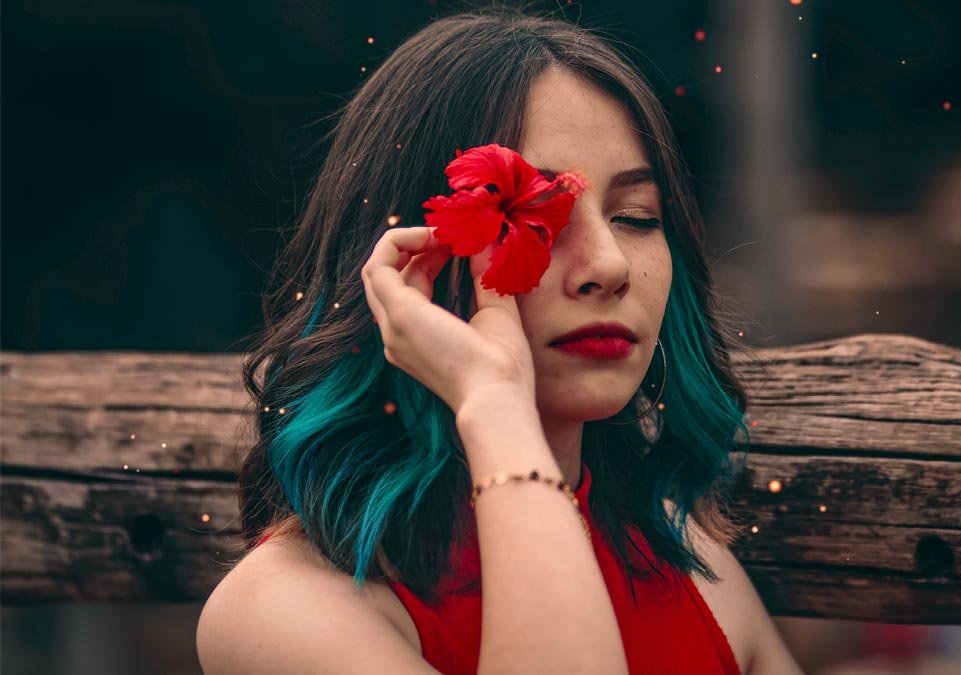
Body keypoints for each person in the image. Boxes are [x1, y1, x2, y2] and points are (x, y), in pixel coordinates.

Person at [196, 5, 803, 674]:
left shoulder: (697, 567)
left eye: (636, 217)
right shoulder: (281, 612)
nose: (608, 265)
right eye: (534, 218)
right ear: (413, 261)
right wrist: (492, 399)